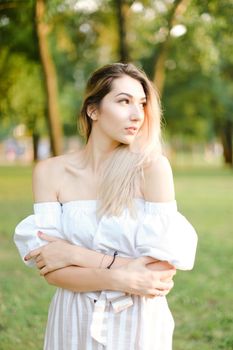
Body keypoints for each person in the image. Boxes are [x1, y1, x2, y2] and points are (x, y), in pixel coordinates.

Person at [14, 62, 198, 350]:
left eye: (142, 103)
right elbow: (51, 270)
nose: (137, 114)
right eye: (124, 101)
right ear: (93, 110)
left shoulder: (151, 168)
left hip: (138, 322)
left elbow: (159, 274)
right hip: (73, 319)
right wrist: (121, 274)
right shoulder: (50, 173)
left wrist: (75, 254)